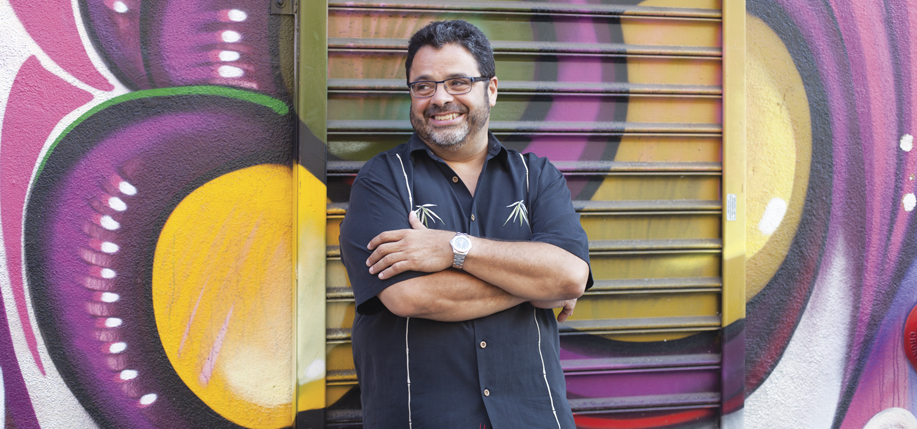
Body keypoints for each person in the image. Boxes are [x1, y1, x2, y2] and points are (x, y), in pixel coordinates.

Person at [339, 19, 593, 428]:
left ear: (490, 90)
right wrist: (534, 283)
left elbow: (570, 277)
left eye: (458, 82)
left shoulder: (538, 177)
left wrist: (454, 248)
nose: (439, 98)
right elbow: (410, 297)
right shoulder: (382, 181)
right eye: (423, 86)